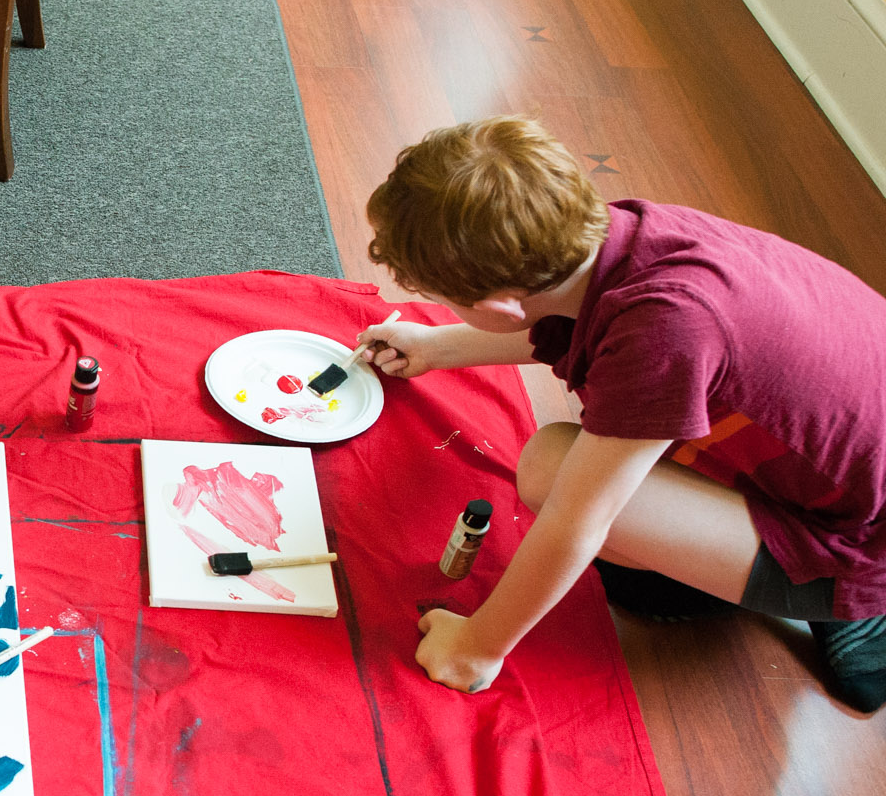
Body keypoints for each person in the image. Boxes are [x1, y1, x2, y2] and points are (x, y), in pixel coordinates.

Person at [355, 115, 886, 709]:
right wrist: (440, 346)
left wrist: (477, 646)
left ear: (501, 306)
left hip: (863, 540)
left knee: (552, 472)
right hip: (833, 457)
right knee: (589, 484)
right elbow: (575, 328)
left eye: (441, 301)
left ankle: (855, 607)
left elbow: (576, 522)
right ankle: (722, 571)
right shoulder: (620, 234)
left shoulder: (666, 333)